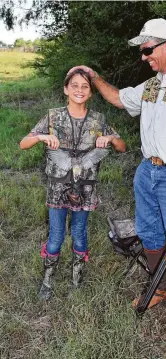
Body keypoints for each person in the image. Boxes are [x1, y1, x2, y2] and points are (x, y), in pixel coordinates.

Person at [69, 18, 166, 359]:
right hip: (147, 171)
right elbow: (121, 99)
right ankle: (163, 289)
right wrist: (93, 77)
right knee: (151, 233)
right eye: (142, 50)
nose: (144, 56)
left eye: (148, 49)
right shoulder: (154, 84)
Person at [20, 69, 126, 300]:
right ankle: (47, 281)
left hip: (86, 189)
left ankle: (77, 279)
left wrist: (109, 138)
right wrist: (40, 137)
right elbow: (23, 143)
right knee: (56, 234)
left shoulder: (98, 120)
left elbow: (121, 146)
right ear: (66, 89)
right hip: (57, 188)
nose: (79, 90)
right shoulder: (53, 117)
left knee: (79, 233)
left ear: (90, 92)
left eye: (85, 86)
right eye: (74, 85)